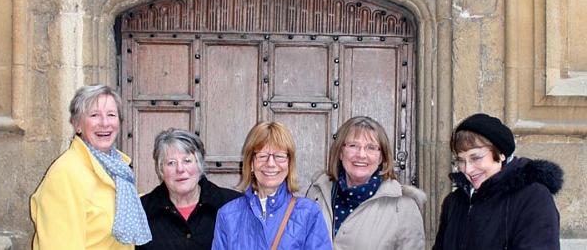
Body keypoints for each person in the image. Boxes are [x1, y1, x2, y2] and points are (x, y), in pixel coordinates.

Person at [30, 84, 151, 249]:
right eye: (94, 115)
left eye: (111, 115)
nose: (105, 123)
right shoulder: (65, 174)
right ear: (77, 124)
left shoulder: (118, 170)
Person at [433, 113, 564, 250]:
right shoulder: (454, 202)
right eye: (461, 160)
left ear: (501, 154)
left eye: (476, 157)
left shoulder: (533, 197)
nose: (468, 169)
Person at [306, 115, 426, 249]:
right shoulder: (318, 193)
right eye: (353, 145)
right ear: (340, 152)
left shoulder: (403, 206)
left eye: (371, 147)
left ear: (381, 157)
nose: (361, 154)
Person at [212, 121, 332, 250]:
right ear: (250, 163)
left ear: (289, 164)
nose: (270, 164)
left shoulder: (309, 213)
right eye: (262, 156)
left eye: (279, 156)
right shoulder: (228, 214)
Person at [137, 128, 241, 250]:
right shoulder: (141, 211)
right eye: (171, 163)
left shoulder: (233, 206)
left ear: (199, 165)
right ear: (160, 170)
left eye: (187, 161)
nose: (180, 169)